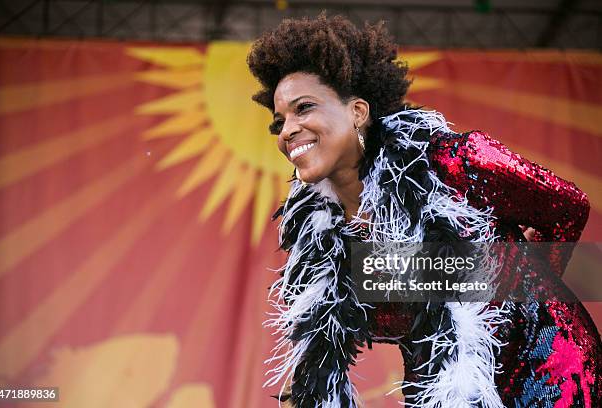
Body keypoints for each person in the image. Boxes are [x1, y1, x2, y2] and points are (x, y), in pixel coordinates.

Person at [247, 13, 601, 408]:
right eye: (279, 121)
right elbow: (343, 327)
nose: (287, 130)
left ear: (358, 112)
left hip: (547, 372)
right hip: (440, 386)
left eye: (304, 108)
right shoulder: (320, 237)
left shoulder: (452, 163)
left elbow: (568, 208)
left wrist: (530, 282)